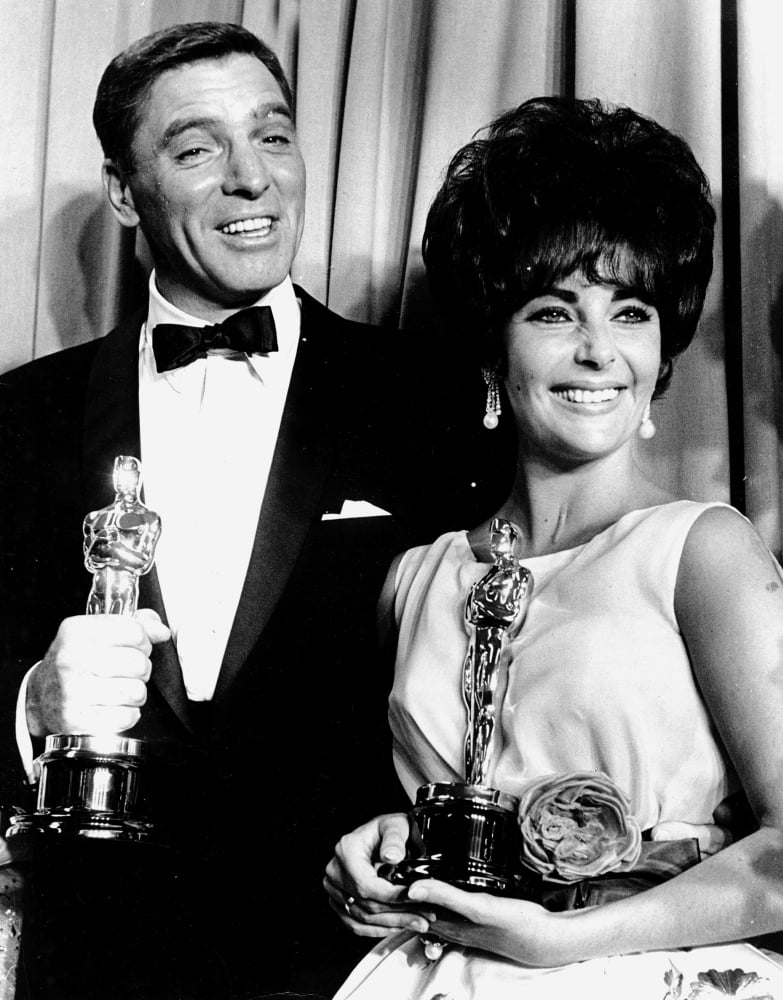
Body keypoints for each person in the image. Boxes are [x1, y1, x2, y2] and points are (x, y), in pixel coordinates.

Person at [0, 22, 511, 1000]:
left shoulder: (428, 399)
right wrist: (33, 706)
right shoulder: (17, 418)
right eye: (198, 148)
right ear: (122, 190)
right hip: (97, 957)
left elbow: (510, 667)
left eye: (273, 136)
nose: (252, 178)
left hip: (353, 956)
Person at [323, 96, 783, 999]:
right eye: (552, 311)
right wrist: (378, 849)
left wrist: (560, 945)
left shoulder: (703, 552)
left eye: (630, 312)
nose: (596, 351)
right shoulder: (412, 578)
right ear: (492, 347)